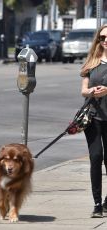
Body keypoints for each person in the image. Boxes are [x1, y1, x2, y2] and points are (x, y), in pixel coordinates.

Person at [80, 24, 107, 218]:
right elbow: (83, 89)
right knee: (96, 157)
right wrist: (90, 91)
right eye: (102, 37)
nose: (105, 41)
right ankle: (97, 204)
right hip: (93, 117)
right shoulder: (92, 61)